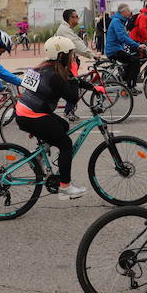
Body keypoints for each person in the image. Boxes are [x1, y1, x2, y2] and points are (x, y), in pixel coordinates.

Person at [15, 37, 101, 200]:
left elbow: (69, 81)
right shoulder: (54, 76)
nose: (72, 57)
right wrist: (75, 73)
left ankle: (38, 155)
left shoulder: (43, 67)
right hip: (33, 115)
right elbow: (72, 97)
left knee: (63, 125)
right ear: (61, 55)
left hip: (24, 112)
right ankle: (65, 187)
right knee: (66, 144)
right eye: (70, 54)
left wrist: (93, 87)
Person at [56, 9, 95, 121]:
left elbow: (77, 42)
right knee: (73, 86)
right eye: (76, 16)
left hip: (68, 62)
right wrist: (91, 55)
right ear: (70, 18)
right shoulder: (64, 30)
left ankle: (69, 109)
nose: (78, 18)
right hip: (62, 64)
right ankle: (68, 111)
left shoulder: (67, 29)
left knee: (74, 84)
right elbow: (76, 43)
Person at [105, 3, 142, 94]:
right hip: (114, 50)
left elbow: (125, 36)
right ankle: (130, 86)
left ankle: (124, 81)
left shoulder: (120, 21)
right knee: (135, 61)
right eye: (129, 11)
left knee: (131, 61)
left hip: (117, 49)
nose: (130, 12)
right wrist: (137, 46)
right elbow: (122, 37)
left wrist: (136, 44)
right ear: (124, 12)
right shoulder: (117, 21)